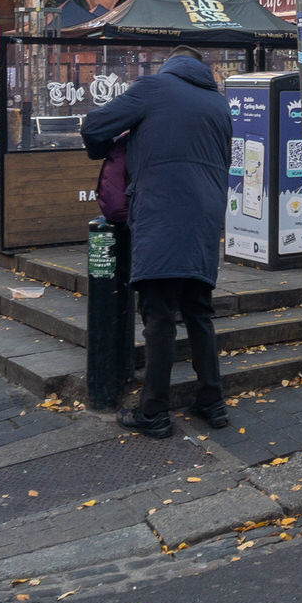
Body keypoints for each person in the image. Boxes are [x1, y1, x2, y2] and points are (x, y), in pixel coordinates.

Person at [82, 45, 231, 439]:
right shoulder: (218, 105)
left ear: (170, 66)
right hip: (205, 217)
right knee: (198, 311)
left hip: (162, 214)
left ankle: (153, 411)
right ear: (201, 68)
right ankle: (212, 402)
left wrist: (113, 148)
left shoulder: (152, 88)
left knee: (160, 314)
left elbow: (94, 126)